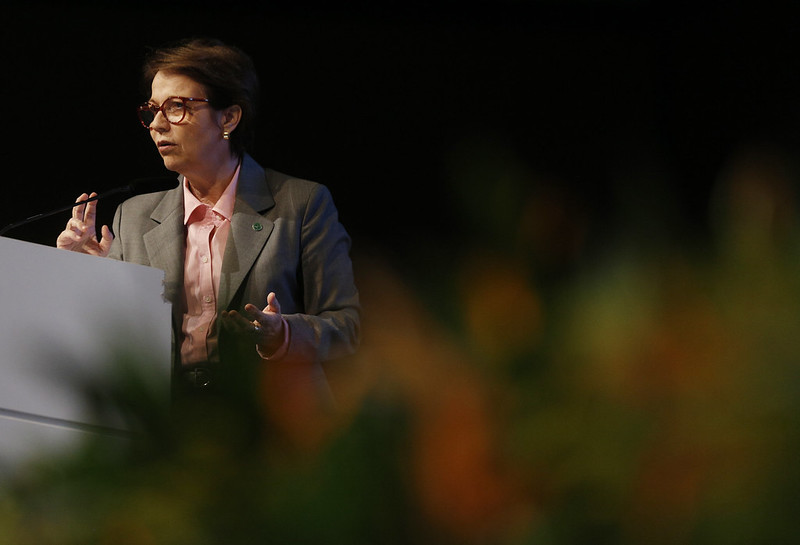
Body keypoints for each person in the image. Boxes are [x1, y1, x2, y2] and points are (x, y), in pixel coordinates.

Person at [56, 38, 360, 405]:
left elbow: (347, 327)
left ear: (229, 117)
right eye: (152, 110)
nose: (156, 124)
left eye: (177, 108)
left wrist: (283, 334)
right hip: (169, 428)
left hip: (271, 422)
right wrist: (83, 277)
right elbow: (118, 346)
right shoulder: (134, 217)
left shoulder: (301, 204)